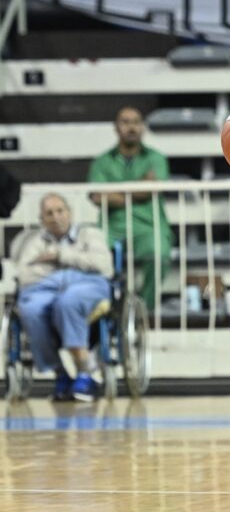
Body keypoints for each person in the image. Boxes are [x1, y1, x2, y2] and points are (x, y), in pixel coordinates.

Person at [11, 194, 113, 402]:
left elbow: (103, 266)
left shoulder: (90, 234)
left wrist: (59, 256)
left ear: (70, 213)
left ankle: (85, 372)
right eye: (49, 213)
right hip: (46, 291)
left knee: (68, 300)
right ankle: (59, 372)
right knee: (30, 308)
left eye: (60, 211)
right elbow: (25, 275)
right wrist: (66, 275)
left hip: (88, 287)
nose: (55, 217)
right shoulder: (35, 242)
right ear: (42, 219)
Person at [87, 106, 173, 310]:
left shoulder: (156, 157)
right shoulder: (101, 161)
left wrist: (115, 193)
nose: (131, 127)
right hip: (112, 226)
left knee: (159, 252)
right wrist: (139, 187)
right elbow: (97, 197)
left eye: (135, 122)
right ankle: (106, 309)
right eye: (125, 122)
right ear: (116, 128)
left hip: (148, 226)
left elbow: (152, 189)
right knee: (93, 256)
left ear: (142, 127)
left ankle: (144, 308)